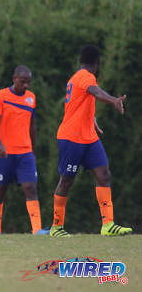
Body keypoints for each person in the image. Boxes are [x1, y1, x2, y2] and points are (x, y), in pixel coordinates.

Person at [50, 45, 132, 237]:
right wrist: (113, 100)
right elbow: (95, 92)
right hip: (72, 138)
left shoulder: (76, 78)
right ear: (97, 63)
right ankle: (56, 227)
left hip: (89, 138)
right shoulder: (86, 76)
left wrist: (91, 119)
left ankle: (108, 224)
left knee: (103, 175)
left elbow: (78, 104)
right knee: (66, 181)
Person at [0, 66, 48, 235]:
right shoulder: (0, 95)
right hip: (5, 152)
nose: (26, 85)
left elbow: (32, 126)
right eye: (23, 81)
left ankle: (37, 229)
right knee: (0, 189)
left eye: (28, 82)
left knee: (30, 188)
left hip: (25, 152)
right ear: (14, 78)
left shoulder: (31, 98)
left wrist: (33, 151)